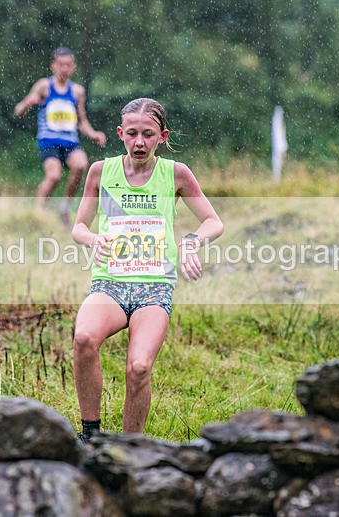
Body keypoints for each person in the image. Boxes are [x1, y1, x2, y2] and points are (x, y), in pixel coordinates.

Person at [70, 98, 224, 440]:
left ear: (162, 137)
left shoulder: (176, 173)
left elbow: (213, 221)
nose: (139, 142)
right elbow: (79, 226)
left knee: (138, 368)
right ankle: (90, 435)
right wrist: (92, 239)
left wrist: (191, 241)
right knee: (83, 339)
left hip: (154, 287)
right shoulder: (100, 171)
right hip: (109, 283)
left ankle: (131, 446)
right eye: (133, 134)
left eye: (148, 134)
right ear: (120, 133)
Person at [14, 47, 107, 227]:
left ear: (74, 67)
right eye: (61, 64)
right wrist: (27, 104)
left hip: (70, 142)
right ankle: (37, 212)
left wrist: (94, 134)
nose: (64, 68)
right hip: (49, 141)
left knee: (81, 164)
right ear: (53, 65)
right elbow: (18, 111)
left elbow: (81, 121)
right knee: (54, 176)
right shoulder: (44, 86)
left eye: (68, 65)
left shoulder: (77, 91)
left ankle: (64, 208)